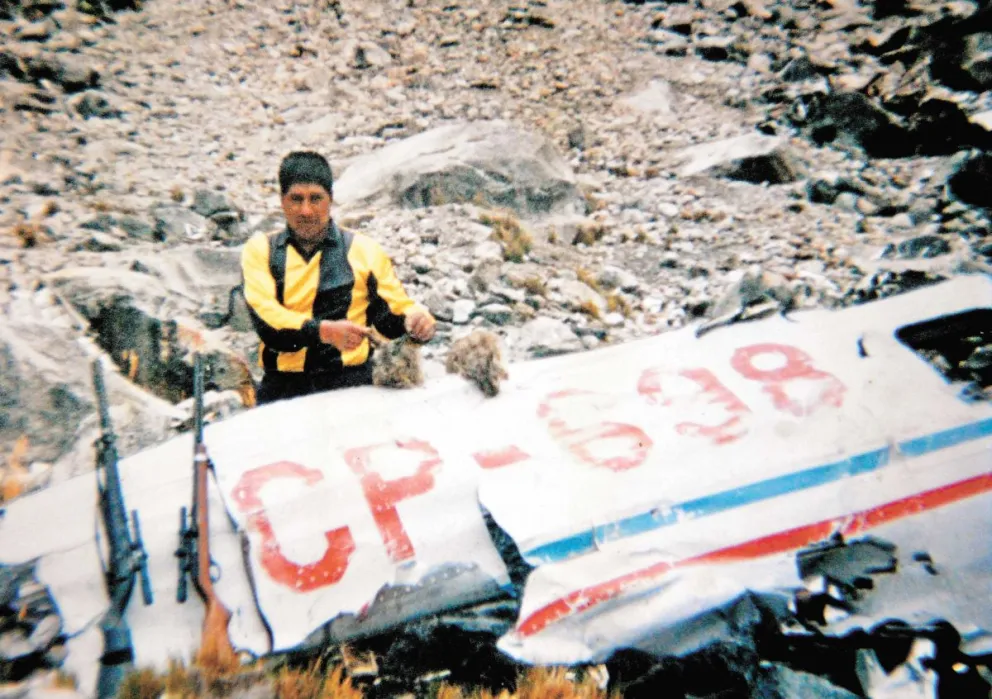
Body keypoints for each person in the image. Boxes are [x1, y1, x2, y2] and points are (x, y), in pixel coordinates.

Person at [241, 151, 436, 405]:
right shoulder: (260, 250)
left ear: (330, 200)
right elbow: (269, 323)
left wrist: (417, 321)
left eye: (316, 199)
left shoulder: (365, 250)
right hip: (283, 386)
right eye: (296, 199)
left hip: (352, 384)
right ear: (282, 201)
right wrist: (324, 332)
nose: (306, 210)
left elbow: (391, 316)